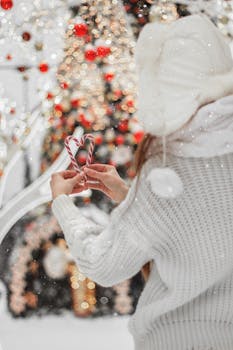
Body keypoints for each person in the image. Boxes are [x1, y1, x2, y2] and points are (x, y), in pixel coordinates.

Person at [50, 14, 233, 350]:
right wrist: (128, 195)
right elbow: (205, 225)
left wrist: (63, 203)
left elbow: (103, 264)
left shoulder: (167, 170)